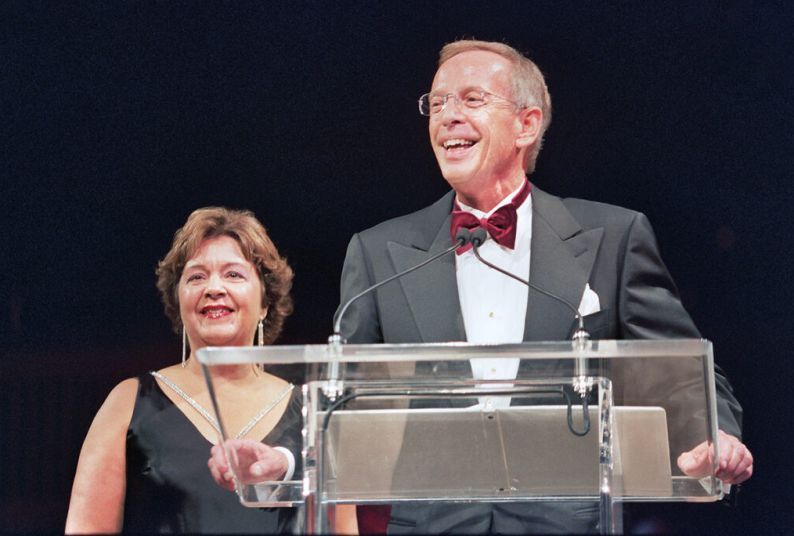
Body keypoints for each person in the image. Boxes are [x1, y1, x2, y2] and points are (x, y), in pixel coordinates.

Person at [337, 40, 753, 534]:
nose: (447, 116)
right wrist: (284, 453)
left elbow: (680, 371)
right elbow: (337, 392)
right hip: (428, 524)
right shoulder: (378, 251)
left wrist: (716, 436)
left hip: (569, 522)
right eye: (438, 102)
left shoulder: (615, 238)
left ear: (526, 124)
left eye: (471, 99)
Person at [66, 207, 301, 534]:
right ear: (178, 301)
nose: (214, 288)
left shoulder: (309, 411)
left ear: (265, 301)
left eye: (233, 274)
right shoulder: (129, 402)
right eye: (196, 276)